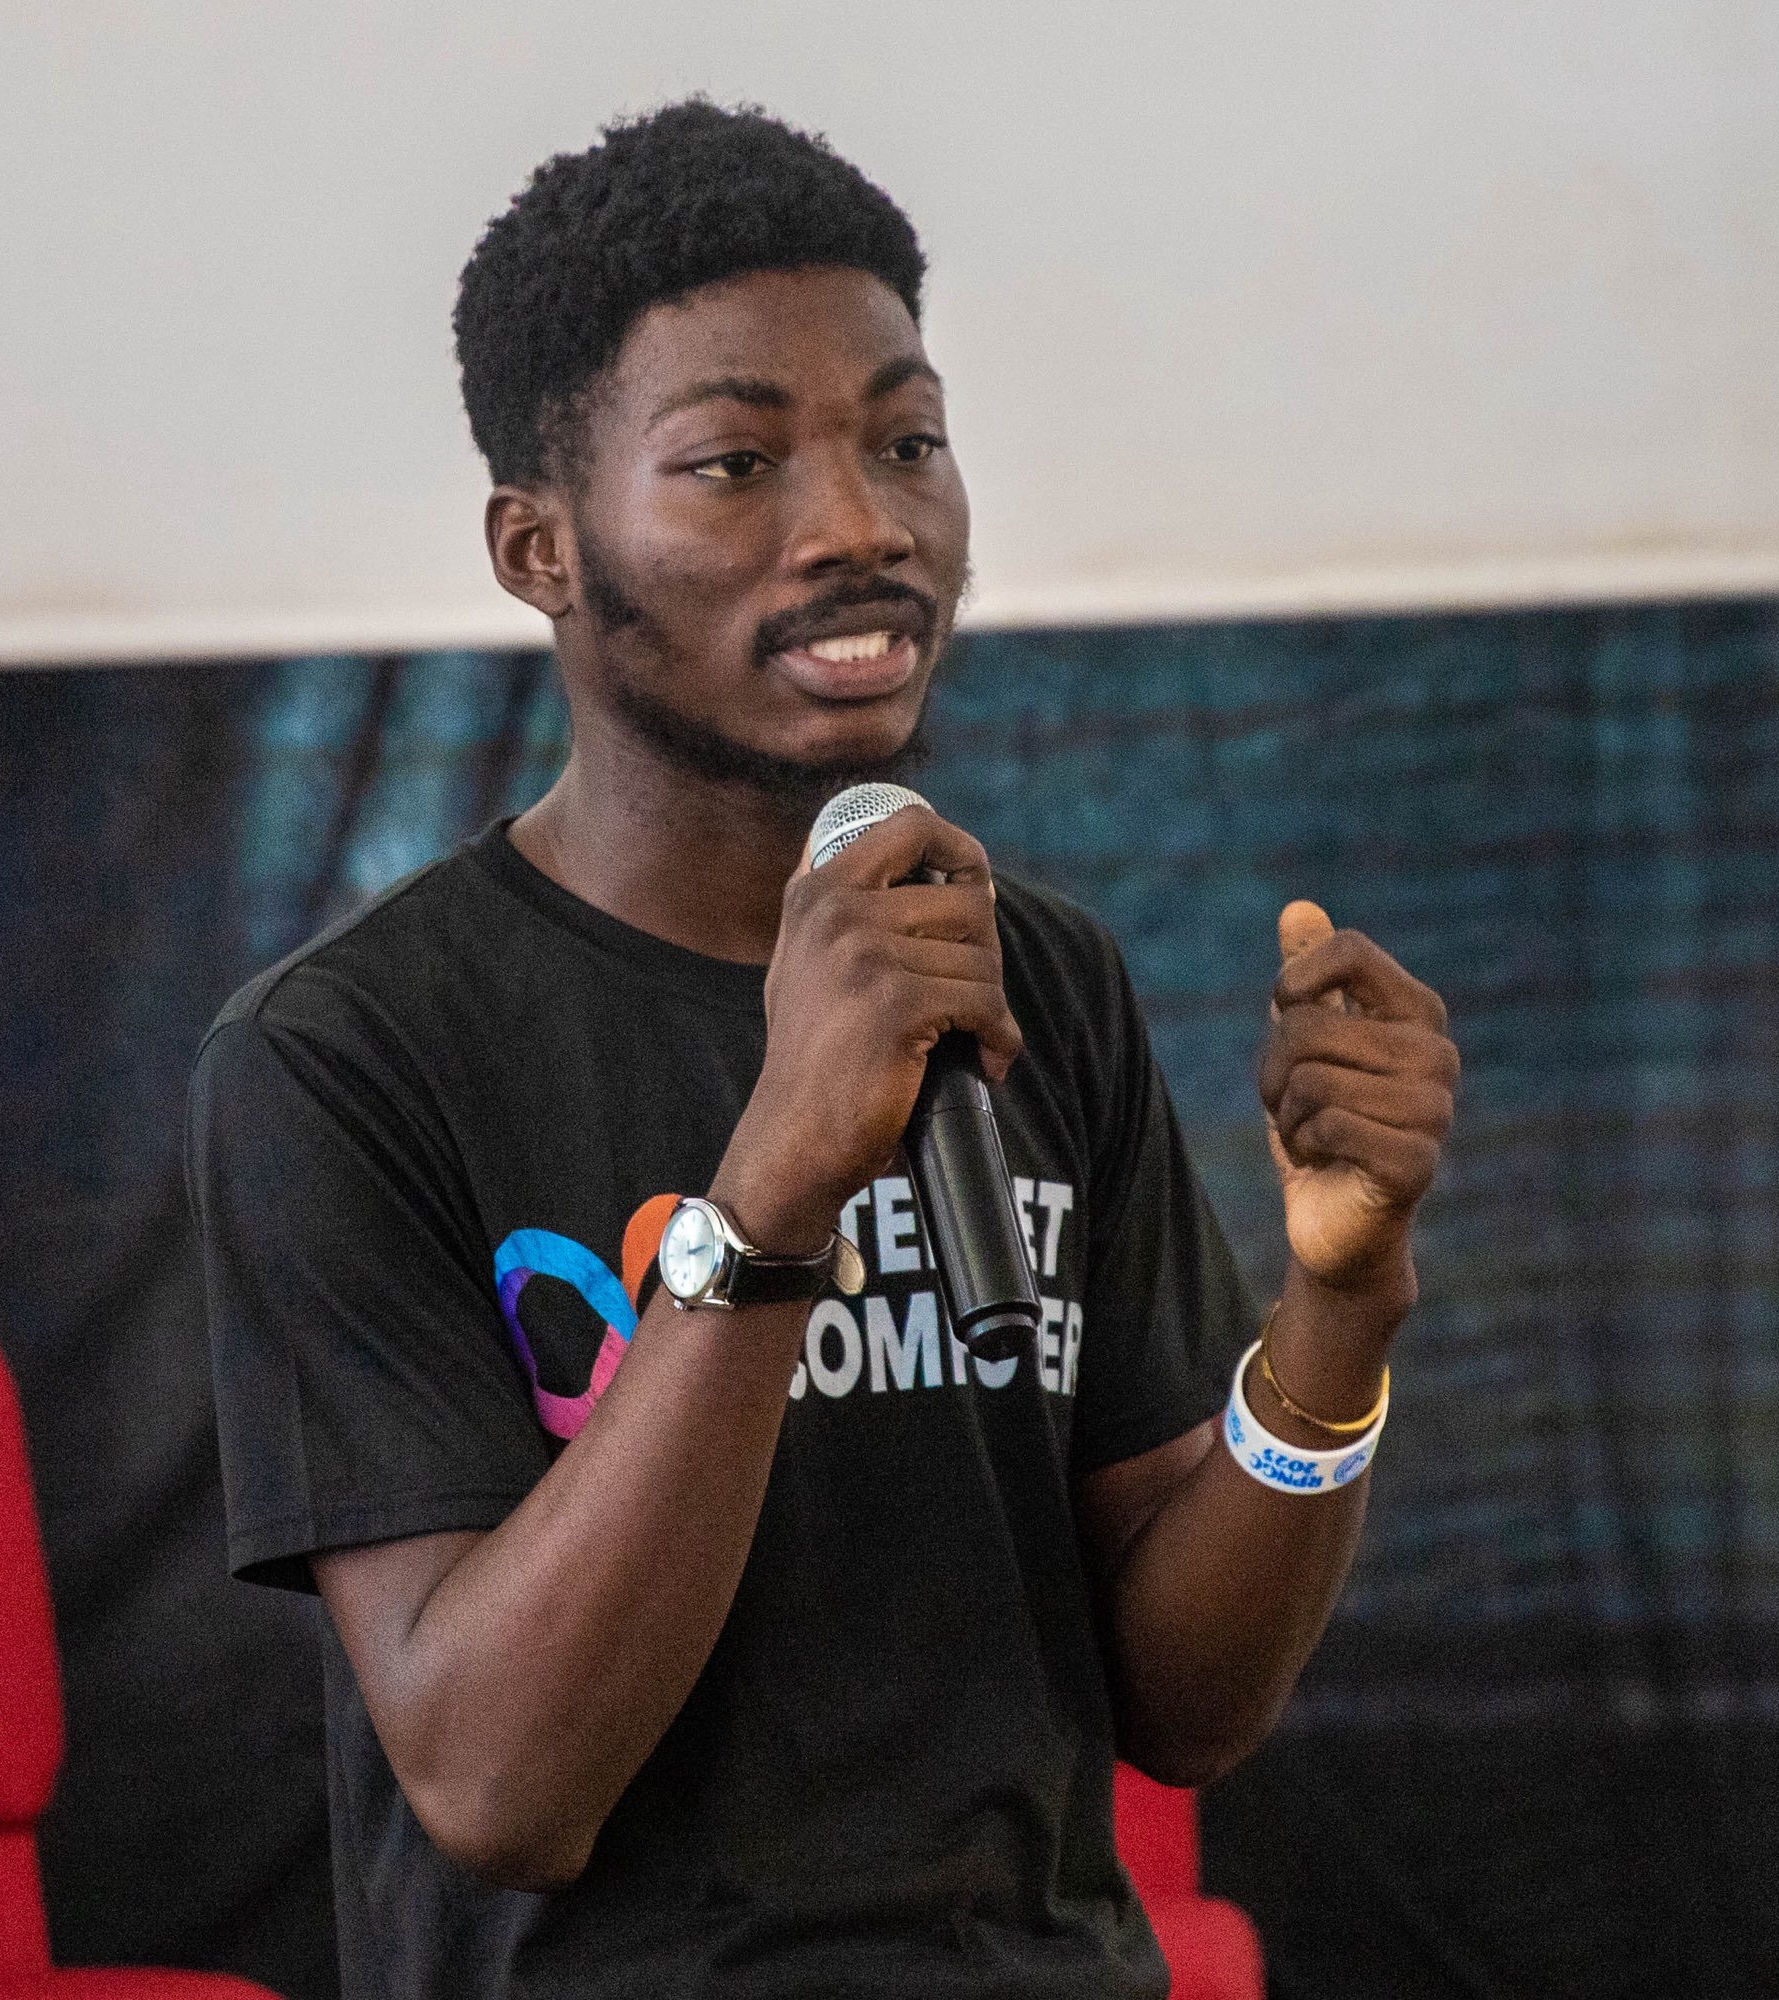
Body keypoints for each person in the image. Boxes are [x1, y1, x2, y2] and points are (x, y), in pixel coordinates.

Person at [188, 100, 1458, 2000]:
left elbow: (1190, 1711)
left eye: (908, 441)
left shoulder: (1039, 979)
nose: (864, 526)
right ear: (541, 549)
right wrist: (771, 1198)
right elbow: (497, 1785)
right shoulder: (346, 1057)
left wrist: (1342, 1312)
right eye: (735, 462)